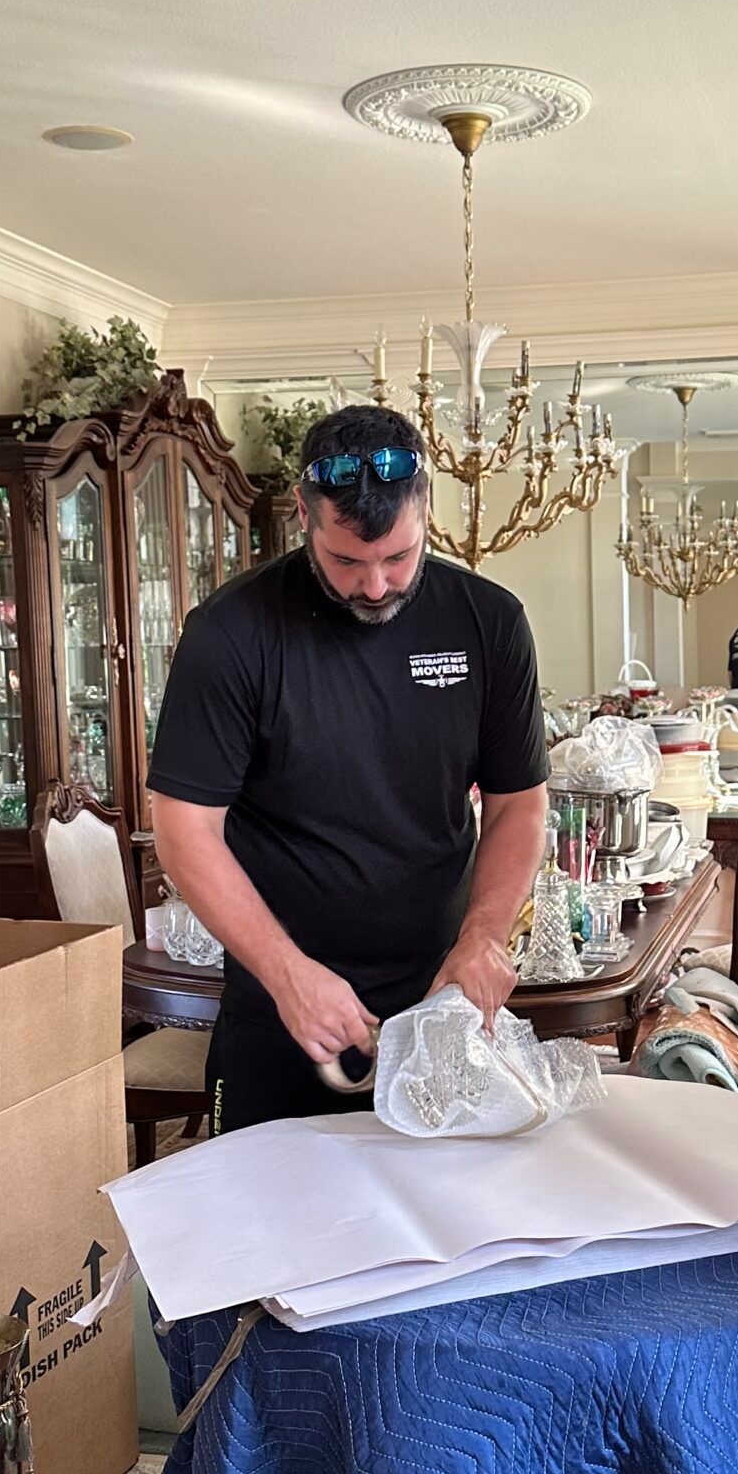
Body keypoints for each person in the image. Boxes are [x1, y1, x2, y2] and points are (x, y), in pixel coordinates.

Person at [147, 403, 550, 1134]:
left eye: (399, 558)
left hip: (440, 1002)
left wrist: (483, 936)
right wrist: (287, 974)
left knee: (451, 1231)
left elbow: (518, 802)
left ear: (426, 506)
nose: (375, 587)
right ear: (303, 512)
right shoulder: (231, 634)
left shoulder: (489, 623)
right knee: (268, 1233)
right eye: (346, 562)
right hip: (278, 1013)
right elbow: (184, 831)